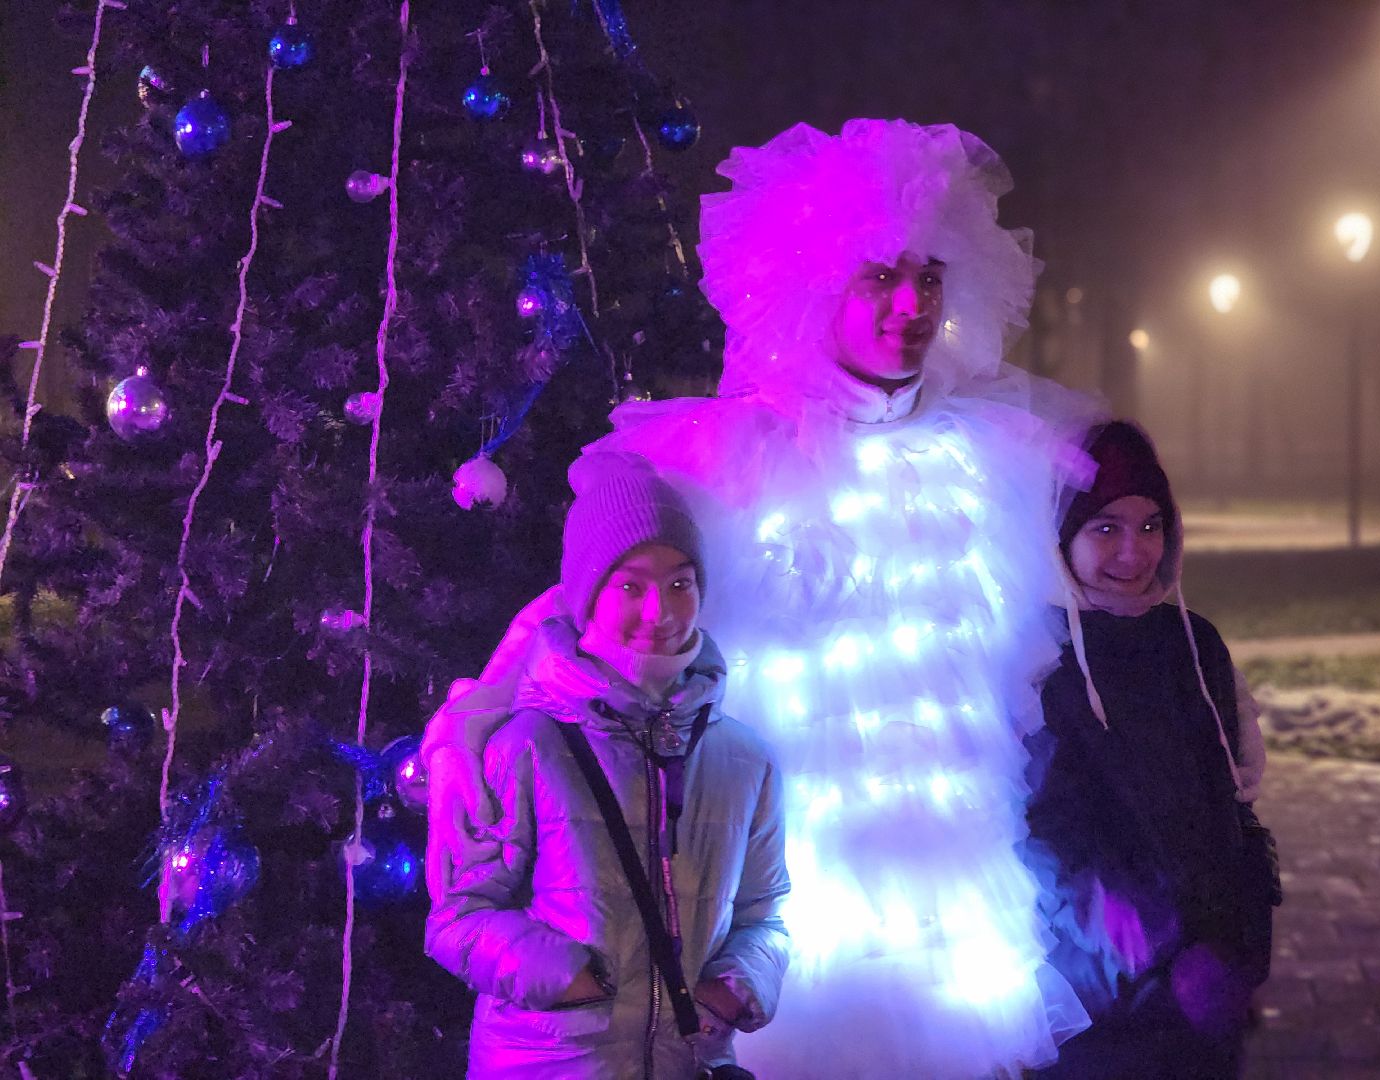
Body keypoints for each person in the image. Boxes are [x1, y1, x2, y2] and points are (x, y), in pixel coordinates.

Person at [425, 119, 1097, 1075]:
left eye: (930, 276)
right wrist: (469, 736)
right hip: (766, 922)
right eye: (878, 275)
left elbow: (1104, 602)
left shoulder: (985, 458)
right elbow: (586, 609)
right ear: (818, 282)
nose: (911, 304)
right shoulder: (725, 455)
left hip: (944, 917)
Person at [425, 452, 789, 1079]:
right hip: (550, 1064)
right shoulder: (529, 745)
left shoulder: (745, 759)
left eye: (680, 584)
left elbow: (765, 912)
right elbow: (458, 919)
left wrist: (735, 988)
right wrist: (569, 980)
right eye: (630, 586)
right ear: (588, 595)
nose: (659, 612)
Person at [1026, 420, 1277, 1079]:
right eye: (1106, 527)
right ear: (1062, 536)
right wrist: (1143, 938)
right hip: (1094, 988)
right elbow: (1034, 821)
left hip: (1208, 982)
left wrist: (1235, 948)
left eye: (1150, 525)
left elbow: (1229, 804)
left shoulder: (1194, 642)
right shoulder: (1034, 656)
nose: (1133, 552)